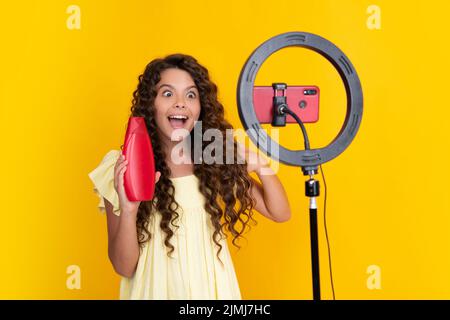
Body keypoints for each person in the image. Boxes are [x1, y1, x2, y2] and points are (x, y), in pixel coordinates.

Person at [88, 53, 291, 299]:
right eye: (167, 93)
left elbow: (280, 212)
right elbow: (123, 266)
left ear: (200, 108)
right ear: (150, 104)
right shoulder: (123, 166)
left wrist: (261, 166)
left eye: (191, 95)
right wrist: (130, 210)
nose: (181, 102)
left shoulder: (213, 158)